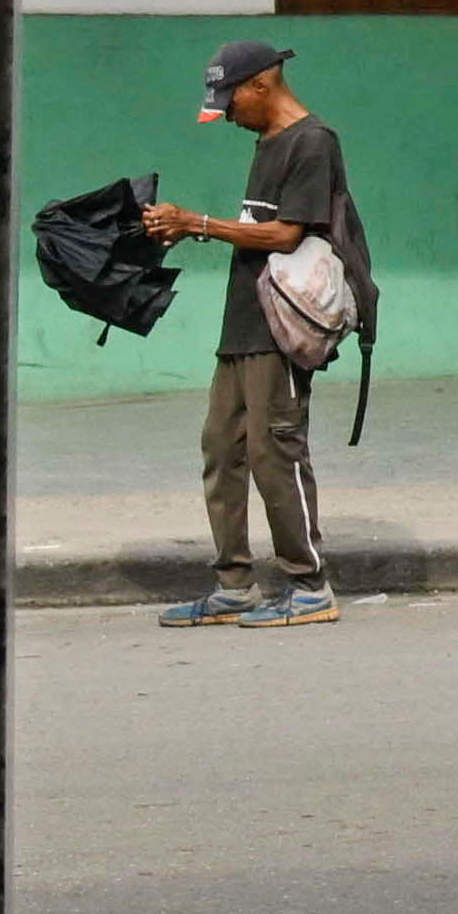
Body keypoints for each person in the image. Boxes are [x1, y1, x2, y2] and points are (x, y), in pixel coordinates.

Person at [142, 37, 366, 631]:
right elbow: (256, 228)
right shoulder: (267, 139)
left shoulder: (312, 142)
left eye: (231, 102)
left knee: (275, 453)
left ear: (261, 86)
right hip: (241, 322)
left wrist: (199, 223)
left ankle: (308, 584)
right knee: (222, 447)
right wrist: (188, 230)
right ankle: (233, 585)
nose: (229, 115)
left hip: (281, 329)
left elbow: (287, 234)